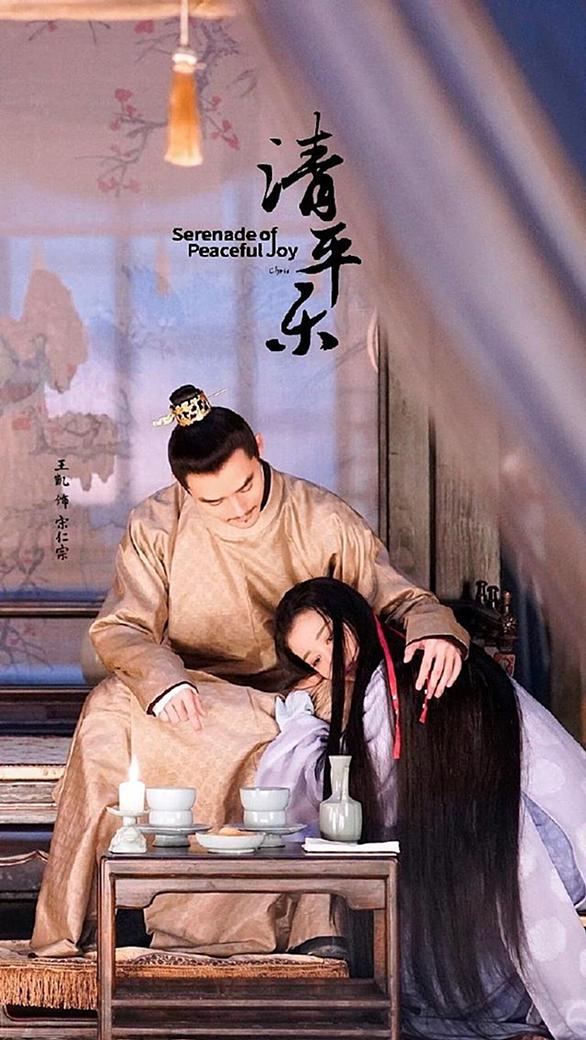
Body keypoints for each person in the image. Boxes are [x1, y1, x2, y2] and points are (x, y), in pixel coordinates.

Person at [32, 384, 468, 958]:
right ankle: (83, 928)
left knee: (315, 737)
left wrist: (435, 629)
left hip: (302, 693)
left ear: (259, 448)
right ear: (185, 489)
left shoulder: (321, 517)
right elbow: (123, 627)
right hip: (200, 695)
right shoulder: (156, 524)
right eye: (213, 500)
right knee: (108, 712)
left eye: (245, 485)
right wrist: (164, 681)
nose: (238, 509)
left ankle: (304, 927)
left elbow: (399, 598)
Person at [256, 577, 586, 1040]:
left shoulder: (403, 669)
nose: (331, 659)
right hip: (550, 822)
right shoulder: (388, 670)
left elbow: (357, 789)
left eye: (330, 637)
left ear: (355, 615)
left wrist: (301, 726)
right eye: (314, 660)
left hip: (535, 838)